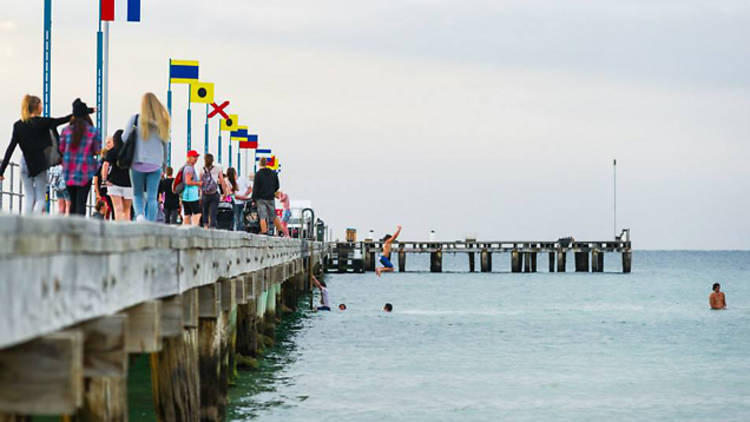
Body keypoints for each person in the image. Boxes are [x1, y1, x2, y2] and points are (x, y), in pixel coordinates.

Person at [0, 94, 72, 214]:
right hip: (39, 163)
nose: (42, 107)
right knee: (40, 198)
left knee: (28, 196)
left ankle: (25, 226)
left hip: (24, 162)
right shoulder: (44, 122)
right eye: (41, 105)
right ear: (37, 106)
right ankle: (33, 225)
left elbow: (10, 148)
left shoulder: (18, 125)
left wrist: (1, 170)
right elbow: (64, 119)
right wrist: (85, 111)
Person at [123, 93, 169, 222]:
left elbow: (124, 138)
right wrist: (164, 165)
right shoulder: (162, 122)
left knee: (137, 193)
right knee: (152, 197)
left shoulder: (136, 119)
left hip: (137, 162)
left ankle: (139, 216)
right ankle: (150, 223)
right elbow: (166, 146)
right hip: (155, 164)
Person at [59, 99, 99, 216]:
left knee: (72, 201)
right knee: (81, 202)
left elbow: (61, 149)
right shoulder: (92, 131)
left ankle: (71, 230)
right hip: (86, 171)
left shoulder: (65, 130)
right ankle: (80, 230)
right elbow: (97, 150)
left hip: (69, 170)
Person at [252, 157, 289, 236]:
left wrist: (253, 199)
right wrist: (272, 191)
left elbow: (255, 188)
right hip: (270, 197)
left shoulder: (258, 174)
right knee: (273, 215)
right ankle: (280, 231)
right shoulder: (273, 173)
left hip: (260, 198)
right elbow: (277, 186)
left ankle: (264, 231)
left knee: (262, 215)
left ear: (260, 164)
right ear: (267, 163)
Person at [102, 130, 133, 221]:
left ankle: (118, 230)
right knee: (127, 210)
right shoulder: (130, 152)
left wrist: (104, 180)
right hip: (128, 184)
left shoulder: (112, 151)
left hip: (113, 183)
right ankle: (126, 231)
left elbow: (105, 165)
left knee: (117, 208)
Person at [200, 153, 224, 229]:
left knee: (205, 212)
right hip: (214, 194)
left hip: (205, 194)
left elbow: (200, 184)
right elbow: (222, 181)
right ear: (212, 160)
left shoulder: (202, 169)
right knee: (213, 212)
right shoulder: (217, 169)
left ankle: (205, 227)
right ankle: (212, 228)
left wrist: (200, 196)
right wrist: (225, 193)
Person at [181, 150, 202, 226]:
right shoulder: (189, 168)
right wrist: (198, 183)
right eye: (194, 157)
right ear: (189, 158)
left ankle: (185, 230)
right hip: (192, 196)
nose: (196, 159)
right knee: (197, 213)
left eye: (197, 157)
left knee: (188, 214)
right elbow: (188, 181)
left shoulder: (186, 167)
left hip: (186, 195)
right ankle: (194, 229)